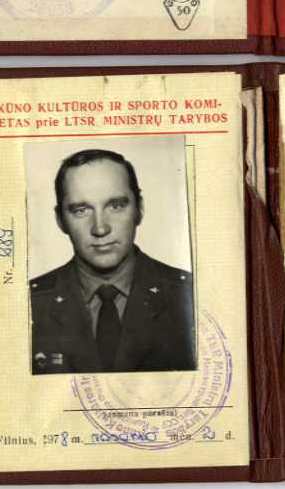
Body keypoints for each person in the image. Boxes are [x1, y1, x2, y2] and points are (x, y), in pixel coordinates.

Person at [30, 149, 196, 374]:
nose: (100, 228)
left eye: (116, 206)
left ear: (139, 209)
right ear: (60, 220)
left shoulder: (190, 296)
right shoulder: (29, 304)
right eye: (81, 210)